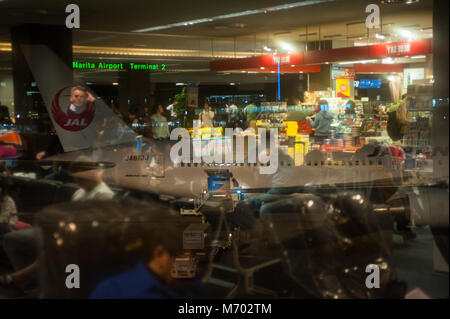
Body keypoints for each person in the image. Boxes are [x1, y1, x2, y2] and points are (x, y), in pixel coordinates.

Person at [0, 158, 114, 290]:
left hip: (82, 239)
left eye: (80, 178)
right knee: (11, 240)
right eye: (75, 178)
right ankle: (32, 284)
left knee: (53, 247)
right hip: (62, 231)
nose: (77, 182)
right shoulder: (80, 192)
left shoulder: (104, 195)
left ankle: (19, 279)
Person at [89, 202, 207, 299]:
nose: (193, 273)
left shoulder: (196, 290)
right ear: (160, 253)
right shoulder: (114, 292)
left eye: (199, 265)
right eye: (188, 264)